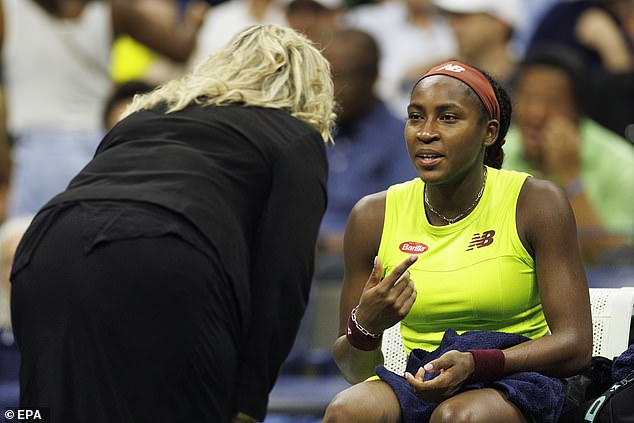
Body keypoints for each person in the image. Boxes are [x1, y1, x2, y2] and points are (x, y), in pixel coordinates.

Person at [10, 24, 336, 423]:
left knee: (45, 412)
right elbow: (284, 278)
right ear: (313, 90)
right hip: (168, 254)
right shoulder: (296, 137)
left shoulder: (144, 114)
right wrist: (247, 403)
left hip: (49, 246)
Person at [322, 60, 592, 423]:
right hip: (422, 376)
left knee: (457, 416)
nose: (426, 132)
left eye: (448, 118)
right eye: (416, 116)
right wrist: (365, 327)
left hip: (518, 376)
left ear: (489, 132)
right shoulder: (372, 216)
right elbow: (355, 372)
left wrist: (477, 363)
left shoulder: (537, 203)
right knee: (346, 410)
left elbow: (576, 345)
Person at [0, 0, 206, 218]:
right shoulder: (113, 10)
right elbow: (179, 48)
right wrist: (195, 18)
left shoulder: (9, 9)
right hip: (98, 151)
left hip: (36, 155)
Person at [503, 47, 634, 265]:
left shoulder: (621, 165)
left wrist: (570, 177)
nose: (536, 114)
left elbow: (616, 263)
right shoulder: (496, 153)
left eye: (552, 102)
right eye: (526, 97)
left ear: (577, 111)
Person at [315, 27, 416, 278]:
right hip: (303, 253)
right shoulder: (314, 130)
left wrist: (324, 243)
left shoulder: (400, 137)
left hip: (358, 266)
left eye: (340, 77)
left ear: (372, 76)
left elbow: (399, 226)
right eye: (325, 76)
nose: (330, 89)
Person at [432, 0, 524, 89]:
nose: (452, 25)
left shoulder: (529, 86)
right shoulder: (442, 80)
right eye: (451, 17)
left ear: (500, 25)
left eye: (463, 17)